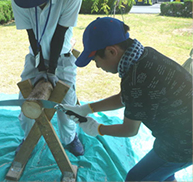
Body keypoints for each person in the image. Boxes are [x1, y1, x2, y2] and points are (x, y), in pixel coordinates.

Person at [60, 17, 192, 181]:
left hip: (183, 144)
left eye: (95, 60)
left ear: (111, 51)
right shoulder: (145, 55)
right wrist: (87, 109)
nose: (97, 66)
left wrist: (98, 129)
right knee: (162, 175)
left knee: (136, 178)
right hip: (180, 133)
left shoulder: (135, 79)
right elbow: (127, 97)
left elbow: (130, 129)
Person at [11, 0, 84, 156]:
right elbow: (31, 34)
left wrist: (51, 70)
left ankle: (69, 138)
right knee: (26, 101)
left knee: (67, 104)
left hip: (63, 56)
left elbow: (60, 33)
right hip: (35, 56)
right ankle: (29, 138)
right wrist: (41, 67)